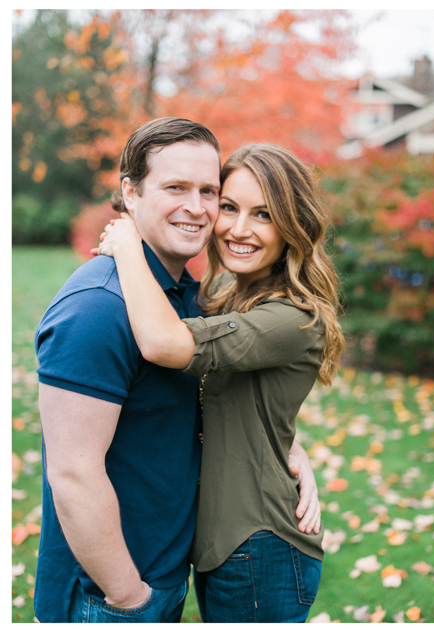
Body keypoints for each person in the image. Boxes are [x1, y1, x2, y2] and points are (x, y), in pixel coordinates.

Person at [34, 119, 320, 623]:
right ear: (130, 191)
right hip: (109, 593)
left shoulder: (187, 299)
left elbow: (221, 393)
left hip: (168, 574)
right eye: (175, 188)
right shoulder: (98, 308)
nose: (198, 208)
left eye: (209, 191)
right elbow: (73, 473)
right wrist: (127, 596)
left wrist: (288, 451)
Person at [95, 142, 345, 622]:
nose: (238, 228)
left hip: (258, 546)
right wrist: (288, 448)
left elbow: (163, 344)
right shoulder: (232, 295)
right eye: (228, 207)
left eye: (264, 215)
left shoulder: (291, 317)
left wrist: (127, 246)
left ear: (294, 226)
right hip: (227, 544)